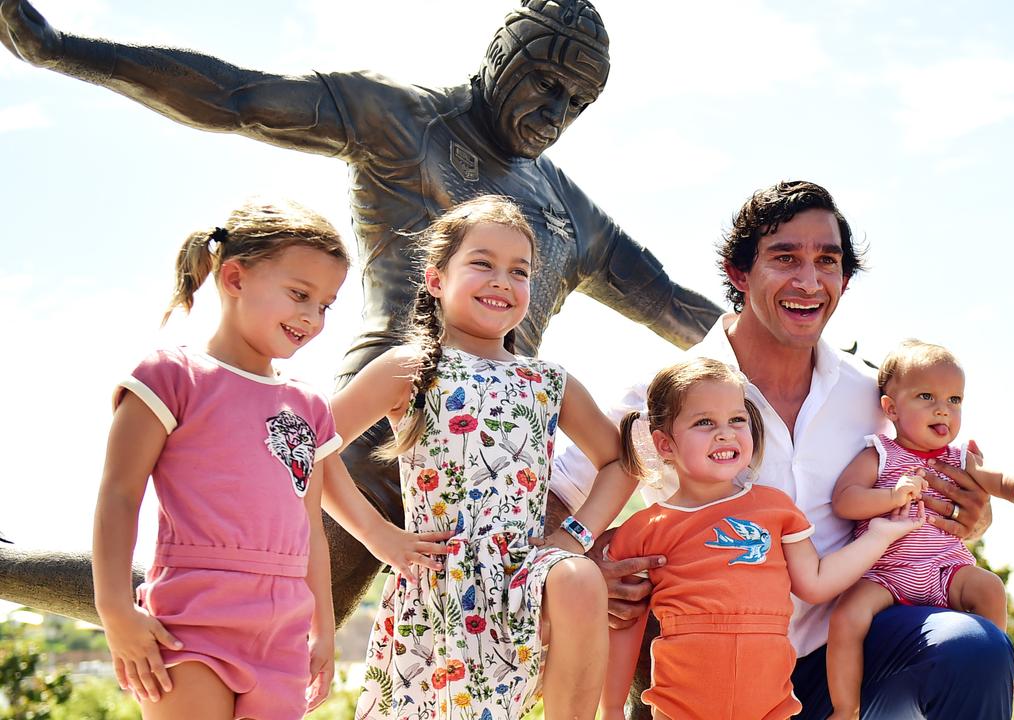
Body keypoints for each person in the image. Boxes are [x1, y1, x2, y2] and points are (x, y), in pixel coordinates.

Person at [0, 0, 722, 623]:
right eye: (546, 83)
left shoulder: (572, 213)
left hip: (495, 463)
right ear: (502, 55)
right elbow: (237, 96)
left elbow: (673, 306)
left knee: (602, 607)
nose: (557, 113)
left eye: (577, 101)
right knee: (234, 599)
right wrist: (59, 50)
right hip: (380, 432)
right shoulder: (399, 119)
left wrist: (807, 344)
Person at [552, 180, 1014, 719]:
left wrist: (969, 515)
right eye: (785, 258)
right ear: (739, 273)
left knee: (971, 647)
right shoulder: (662, 397)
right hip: (703, 674)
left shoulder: (873, 397)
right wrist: (586, 571)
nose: (810, 280)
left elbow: (936, 485)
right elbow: (559, 498)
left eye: (827, 261)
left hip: (842, 654)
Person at [91, 199, 435, 719]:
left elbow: (310, 529)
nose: (311, 317)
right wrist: (115, 610)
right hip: (190, 625)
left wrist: (322, 628)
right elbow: (119, 494)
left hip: (283, 637)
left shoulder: (309, 407)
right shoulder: (170, 376)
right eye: (299, 294)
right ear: (234, 278)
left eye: (325, 304)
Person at [325, 195, 637, 719]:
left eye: (520, 271)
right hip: (437, 585)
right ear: (435, 279)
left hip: (520, 583)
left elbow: (622, 462)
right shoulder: (412, 367)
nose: (503, 280)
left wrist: (572, 537)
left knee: (579, 576)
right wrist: (378, 535)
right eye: (482, 263)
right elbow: (311, 444)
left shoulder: (547, 381)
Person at [601, 357, 923, 720]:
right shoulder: (646, 528)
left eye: (736, 420)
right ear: (664, 444)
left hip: (770, 705)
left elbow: (815, 583)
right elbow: (624, 624)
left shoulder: (774, 509)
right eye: (704, 422)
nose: (725, 433)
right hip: (681, 707)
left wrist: (879, 536)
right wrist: (612, 707)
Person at [826, 340, 1014, 719]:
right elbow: (844, 501)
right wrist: (891, 497)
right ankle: (845, 708)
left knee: (989, 587)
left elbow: (997, 478)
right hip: (886, 572)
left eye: (954, 400)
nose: (942, 408)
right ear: (891, 408)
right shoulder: (880, 455)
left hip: (945, 568)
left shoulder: (959, 458)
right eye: (926, 396)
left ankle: (997, 670)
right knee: (847, 617)